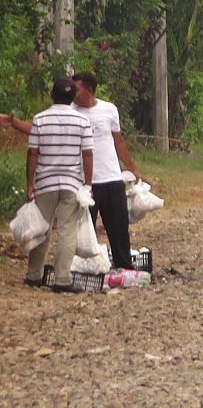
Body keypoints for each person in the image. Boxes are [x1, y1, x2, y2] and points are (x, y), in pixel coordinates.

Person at [2, 72, 141, 271]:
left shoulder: (109, 110)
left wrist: (132, 167)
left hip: (111, 177)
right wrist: (14, 123)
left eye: (77, 89)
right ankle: (83, 270)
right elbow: (39, 127)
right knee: (83, 231)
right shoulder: (70, 111)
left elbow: (118, 141)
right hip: (83, 183)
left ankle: (125, 268)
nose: (73, 93)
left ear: (90, 90)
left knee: (118, 228)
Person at [13, 78, 93, 291]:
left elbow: (32, 154)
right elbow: (87, 154)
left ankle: (33, 276)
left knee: (41, 228)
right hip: (72, 183)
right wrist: (88, 183)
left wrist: (29, 185)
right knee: (67, 230)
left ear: (52, 94)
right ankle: (62, 280)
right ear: (73, 96)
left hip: (46, 183)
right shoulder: (82, 121)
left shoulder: (40, 120)